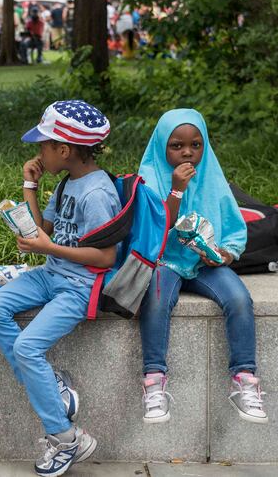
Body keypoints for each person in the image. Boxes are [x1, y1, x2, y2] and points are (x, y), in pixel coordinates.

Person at [0, 100, 121, 476]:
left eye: (43, 144)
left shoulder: (97, 193)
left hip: (78, 286)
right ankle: (52, 385)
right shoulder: (68, 182)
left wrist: (49, 248)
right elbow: (44, 227)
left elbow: (106, 257)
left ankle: (65, 437)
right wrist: (31, 185)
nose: (39, 151)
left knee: (28, 347)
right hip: (51, 272)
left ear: (64, 150)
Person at [137, 109, 268, 425]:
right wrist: (176, 189)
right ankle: (154, 382)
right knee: (155, 300)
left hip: (205, 263)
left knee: (238, 298)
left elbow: (235, 228)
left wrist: (225, 254)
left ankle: (244, 380)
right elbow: (153, 227)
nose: (187, 153)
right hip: (165, 261)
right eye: (176, 146)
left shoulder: (212, 175)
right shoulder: (149, 175)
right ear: (161, 146)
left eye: (195, 145)